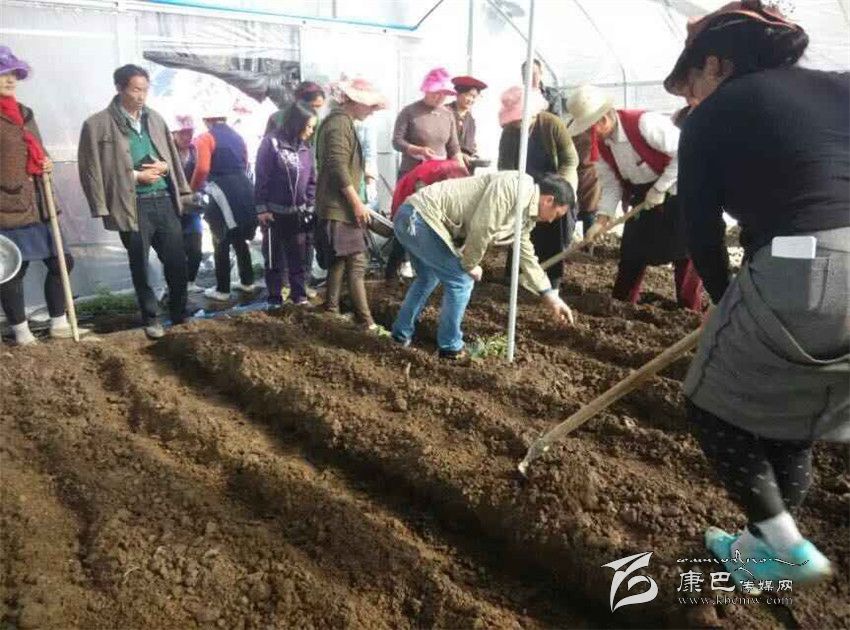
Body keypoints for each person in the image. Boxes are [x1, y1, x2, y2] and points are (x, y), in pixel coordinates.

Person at [665, 0, 849, 589]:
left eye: (691, 82)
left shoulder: (713, 115)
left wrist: (725, 299)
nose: (692, 97)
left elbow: (700, 230)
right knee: (791, 418)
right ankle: (755, 552)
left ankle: (787, 547)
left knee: (709, 404)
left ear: (715, 64)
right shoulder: (841, 86)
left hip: (806, 266)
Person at [391, 171, 576, 360]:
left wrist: (549, 294)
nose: (551, 220)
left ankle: (400, 336)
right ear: (548, 200)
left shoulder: (525, 216)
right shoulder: (515, 186)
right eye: (556, 214)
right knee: (461, 281)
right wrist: (470, 264)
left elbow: (526, 255)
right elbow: (483, 227)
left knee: (428, 278)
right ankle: (451, 348)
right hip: (419, 218)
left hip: (415, 217)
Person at [565, 84, 703, 311]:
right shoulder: (602, 145)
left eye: (590, 128)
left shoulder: (645, 123)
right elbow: (611, 185)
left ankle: (689, 310)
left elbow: (686, 152)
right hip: (642, 194)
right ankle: (621, 304)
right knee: (632, 251)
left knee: (685, 253)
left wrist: (660, 188)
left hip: (680, 189)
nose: (589, 135)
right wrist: (602, 219)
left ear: (603, 120)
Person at [78, 64, 191, 340]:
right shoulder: (97, 124)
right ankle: (151, 318)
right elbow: (92, 168)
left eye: (145, 90)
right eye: (135, 90)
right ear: (119, 88)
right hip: (133, 204)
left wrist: (164, 167)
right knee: (140, 264)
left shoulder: (155, 118)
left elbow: (170, 157)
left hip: (163, 199)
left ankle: (180, 315)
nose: (141, 96)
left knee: (177, 261)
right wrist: (136, 176)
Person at [0, 47, 85, 345]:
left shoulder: (24, 113)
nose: (10, 79)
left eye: (13, 74)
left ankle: (58, 322)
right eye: (3, 74)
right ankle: (21, 331)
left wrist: (45, 161)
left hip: (38, 200)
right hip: (7, 206)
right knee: (12, 269)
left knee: (62, 261)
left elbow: (36, 147)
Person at [314, 78, 387, 329]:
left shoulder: (342, 121)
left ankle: (331, 309)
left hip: (338, 205)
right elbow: (337, 166)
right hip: (339, 207)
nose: (372, 111)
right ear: (354, 101)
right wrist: (357, 203)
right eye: (370, 106)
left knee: (339, 260)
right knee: (357, 262)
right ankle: (366, 322)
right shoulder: (338, 124)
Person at [498, 86, 579, 291]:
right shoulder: (509, 132)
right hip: (525, 189)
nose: (517, 124)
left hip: (554, 189)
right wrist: (516, 192)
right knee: (522, 233)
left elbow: (570, 160)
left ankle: (552, 281)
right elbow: (505, 166)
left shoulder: (551, 124)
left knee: (553, 237)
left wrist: (561, 189)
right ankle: (514, 279)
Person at [190, 108, 258, 302]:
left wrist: (191, 189)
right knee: (239, 237)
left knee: (220, 239)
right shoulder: (238, 137)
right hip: (244, 187)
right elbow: (245, 163)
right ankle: (247, 281)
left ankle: (222, 290)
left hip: (221, 190)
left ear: (207, 119)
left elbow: (202, 168)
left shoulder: (205, 138)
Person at [255, 102, 317, 307]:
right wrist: (262, 208)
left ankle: (299, 296)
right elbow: (262, 177)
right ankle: (274, 298)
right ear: (296, 123)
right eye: (308, 126)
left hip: (298, 213)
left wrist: (309, 204)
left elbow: (312, 179)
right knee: (274, 258)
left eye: (313, 127)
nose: (311, 131)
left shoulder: (306, 147)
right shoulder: (271, 144)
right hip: (274, 212)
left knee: (298, 256)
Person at [169, 114, 204, 293]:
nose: (187, 137)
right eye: (182, 133)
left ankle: (190, 281)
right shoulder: (167, 153)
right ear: (174, 134)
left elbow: (203, 175)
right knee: (174, 248)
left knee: (195, 247)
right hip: (172, 207)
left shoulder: (195, 151)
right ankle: (175, 284)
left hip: (192, 207)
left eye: (189, 133)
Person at [390, 159, 469, 219]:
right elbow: (423, 207)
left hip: (425, 180)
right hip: (406, 200)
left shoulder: (460, 176)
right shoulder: (426, 181)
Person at [447, 75, 487, 171]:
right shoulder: (445, 113)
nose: (471, 100)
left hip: (465, 167)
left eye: (474, 97)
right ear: (458, 94)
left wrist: (474, 156)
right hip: (446, 165)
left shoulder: (470, 119)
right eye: (467, 95)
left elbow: (471, 145)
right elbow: (439, 141)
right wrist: (459, 154)